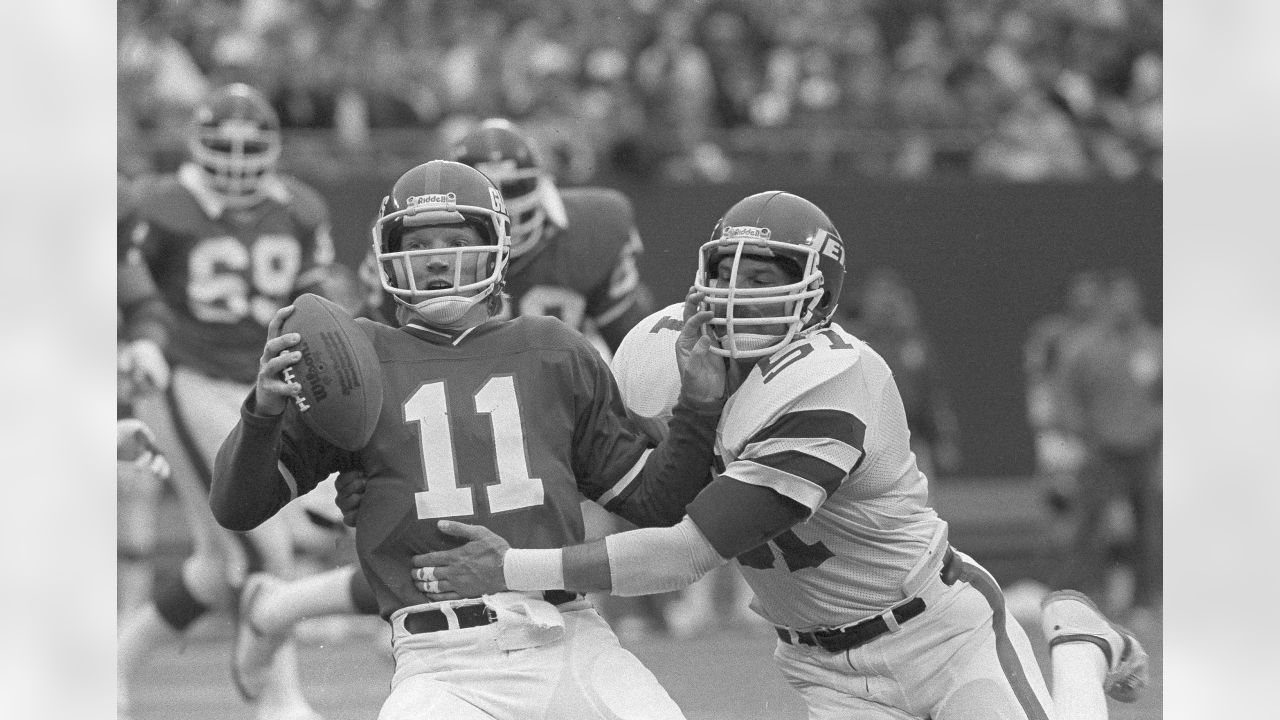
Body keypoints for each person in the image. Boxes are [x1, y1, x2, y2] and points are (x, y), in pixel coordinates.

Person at [408, 191, 1149, 719]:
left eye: (763, 279)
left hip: (939, 634)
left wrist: (510, 568)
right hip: (824, 670)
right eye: (725, 272)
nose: (735, 294)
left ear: (818, 292)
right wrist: (696, 407)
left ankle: (1078, 638)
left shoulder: (834, 381)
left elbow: (682, 555)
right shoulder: (667, 352)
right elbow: (654, 497)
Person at [210, 159, 731, 720]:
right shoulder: (355, 366)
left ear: (495, 249)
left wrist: (700, 406)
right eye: (419, 241)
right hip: (441, 661)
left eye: (456, 239)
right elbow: (238, 507)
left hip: (568, 636)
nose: (436, 256)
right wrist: (262, 413)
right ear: (386, 256)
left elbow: (654, 505)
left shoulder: (555, 348)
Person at [116, 82, 335, 720]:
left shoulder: (299, 207)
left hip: (260, 388)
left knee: (219, 566)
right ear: (196, 145)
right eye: (223, 145)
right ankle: (278, 698)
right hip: (185, 378)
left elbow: (314, 295)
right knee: (261, 546)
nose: (236, 160)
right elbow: (128, 278)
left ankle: (115, 660)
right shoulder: (163, 204)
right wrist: (142, 341)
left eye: (249, 147)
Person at [1054, 269, 1162, 624]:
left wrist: (1157, 423)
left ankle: (1144, 600)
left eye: (1129, 300)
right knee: (1091, 525)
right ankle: (1089, 597)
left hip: (1144, 447)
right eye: (1117, 301)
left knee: (1147, 525)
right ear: (1108, 305)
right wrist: (1078, 430)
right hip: (1103, 447)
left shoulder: (1152, 342)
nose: (1123, 308)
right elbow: (1067, 391)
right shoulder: (1088, 346)